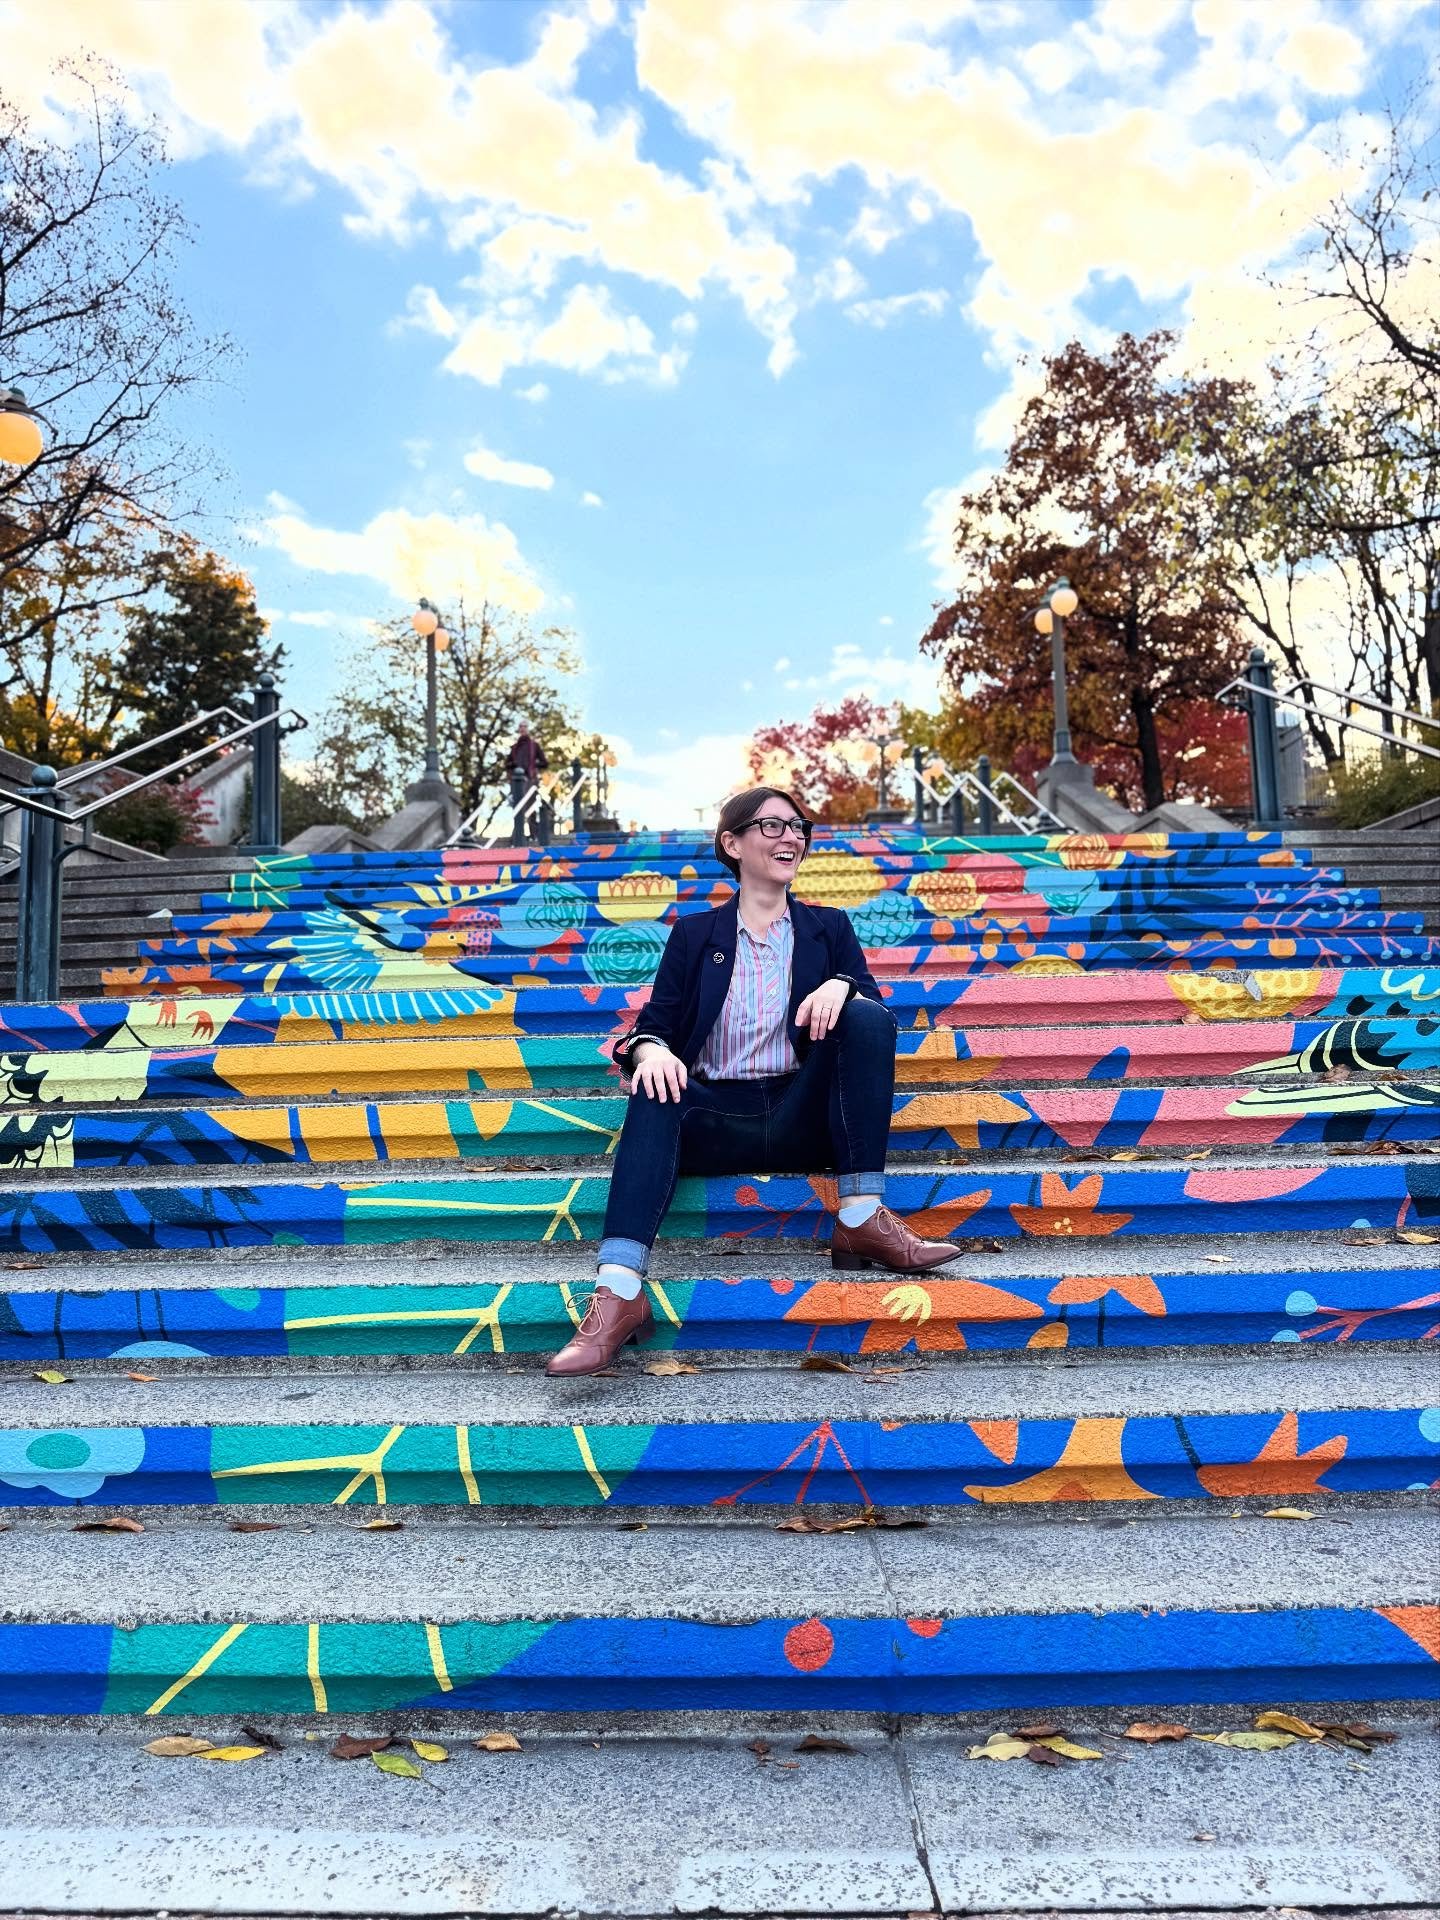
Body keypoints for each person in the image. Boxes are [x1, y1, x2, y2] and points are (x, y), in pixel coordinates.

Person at [547, 786, 963, 1377]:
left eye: (798, 827)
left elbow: (874, 1021)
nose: (791, 837)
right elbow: (652, 1026)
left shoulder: (829, 928)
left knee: (867, 1016)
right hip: (716, 1117)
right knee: (653, 1082)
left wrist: (843, 985)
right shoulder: (695, 935)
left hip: (802, 1113)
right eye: (772, 826)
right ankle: (619, 1292)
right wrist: (649, 1050)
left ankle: (860, 1217)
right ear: (732, 843)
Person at [505, 722, 548, 840]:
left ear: (528, 729)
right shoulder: (515, 747)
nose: (522, 728)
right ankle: (517, 834)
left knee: (530, 806)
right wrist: (513, 765)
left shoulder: (534, 746)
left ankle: (533, 834)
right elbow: (507, 764)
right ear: (519, 729)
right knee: (517, 806)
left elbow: (544, 763)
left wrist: (534, 765)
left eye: (524, 726)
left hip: (530, 779)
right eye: (520, 726)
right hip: (516, 782)